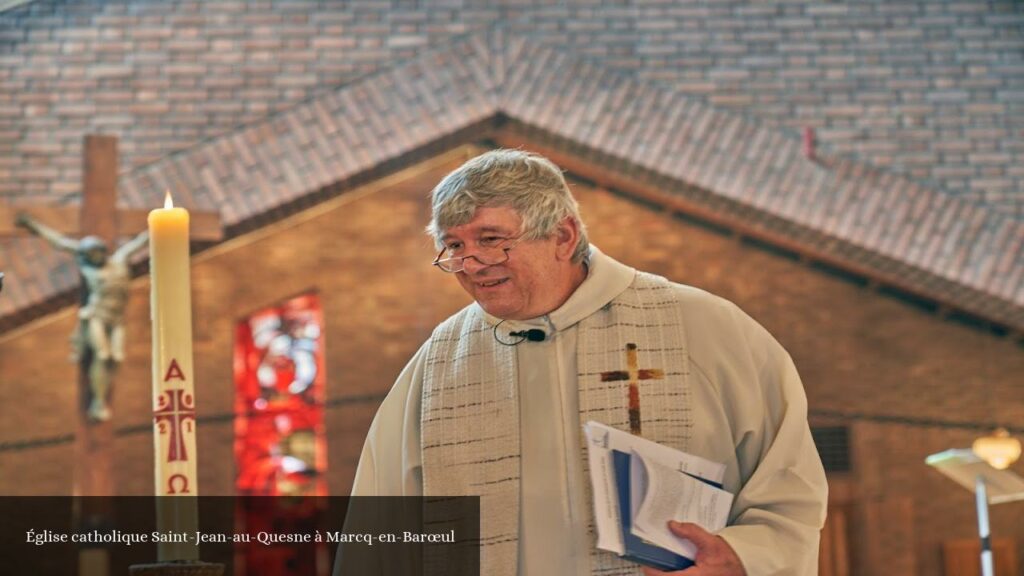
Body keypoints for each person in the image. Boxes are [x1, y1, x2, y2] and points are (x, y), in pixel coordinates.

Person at [341, 150, 827, 575]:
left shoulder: (704, 328)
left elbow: (788, 487)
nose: (470, 263)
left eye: (491, 240)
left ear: (563, 235)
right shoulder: (440, 362)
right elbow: (379, 525)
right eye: (454, 246)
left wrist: (742, 558)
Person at [17, 213, 149, 422]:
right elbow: (60, 243)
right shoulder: (88, 267)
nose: (94, 257)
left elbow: (142, 241)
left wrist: (162, 228)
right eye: (90, 254)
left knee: (118, 358)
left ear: (103, 251)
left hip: (117, 318)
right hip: (97, 315)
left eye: (97, 252)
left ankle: (101, 398)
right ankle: (98, 402)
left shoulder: (120, 260)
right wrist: (32, 224)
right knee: (103, 355)